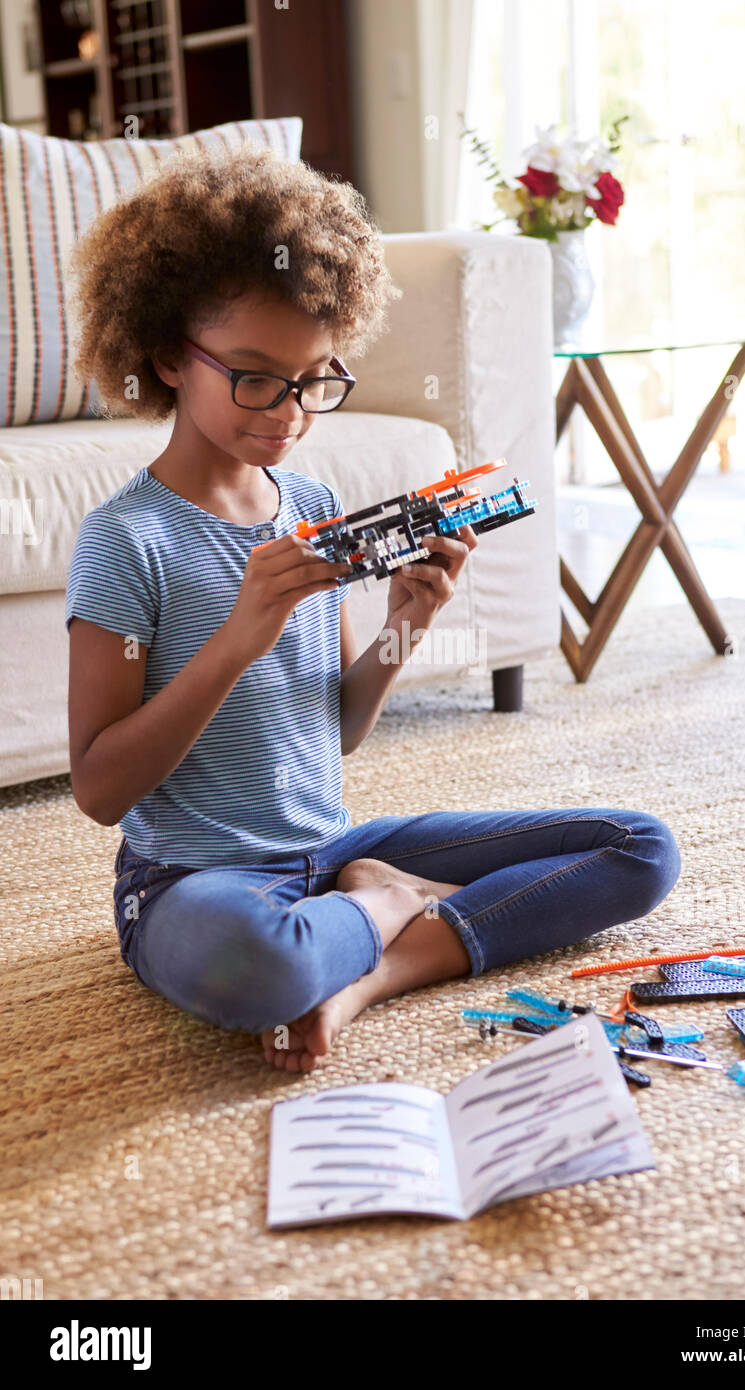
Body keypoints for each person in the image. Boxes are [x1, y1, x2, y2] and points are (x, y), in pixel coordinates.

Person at [64, 146, 681, 1076]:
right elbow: (100, 788)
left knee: (639, 849)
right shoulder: (127, 542)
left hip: (332, 847)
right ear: (164, 355)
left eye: (315, 379)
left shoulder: (310, 510)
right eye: (256, 376)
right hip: (193, 880)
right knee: (259, 966)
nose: (290, 412)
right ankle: (386, 908)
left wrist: (406, 621)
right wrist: (238, 639)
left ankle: (362, 973)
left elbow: (340, 730)